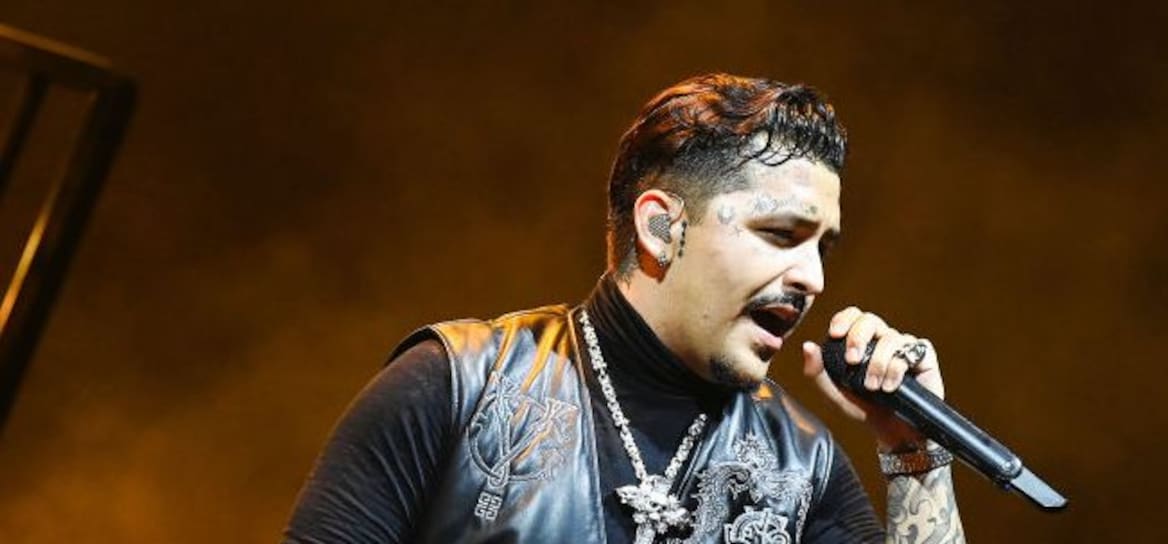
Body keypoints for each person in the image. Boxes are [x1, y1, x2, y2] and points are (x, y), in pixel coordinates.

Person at [284, 73, 965, 544]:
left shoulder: (803, 468)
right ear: (661, 227)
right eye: (781, 235)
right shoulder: (455, 386)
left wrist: (917, 455)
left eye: (824, 248)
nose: (812, 278)